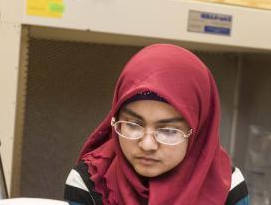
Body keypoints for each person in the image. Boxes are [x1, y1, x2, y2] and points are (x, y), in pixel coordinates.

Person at [64, 44, 249, 205]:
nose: (147, 145)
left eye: (168, 130)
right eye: (133, 124)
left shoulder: (227, 185)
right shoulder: (90, 181)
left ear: (198, 132)